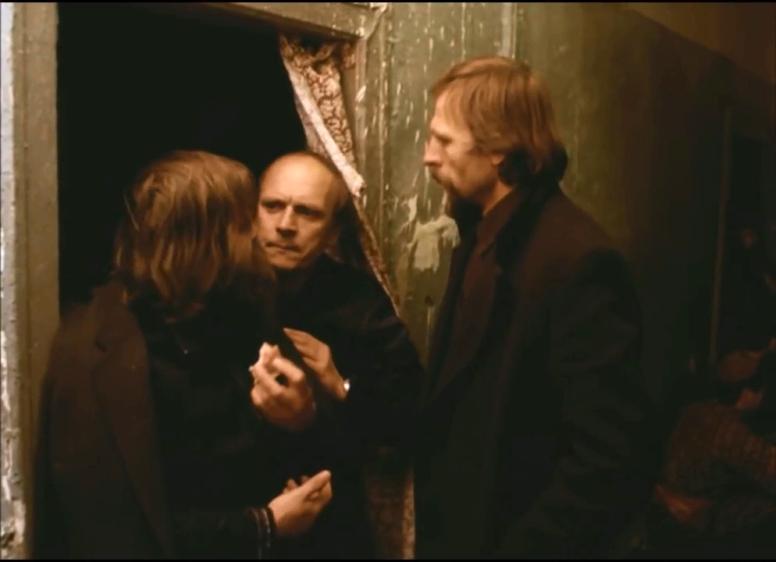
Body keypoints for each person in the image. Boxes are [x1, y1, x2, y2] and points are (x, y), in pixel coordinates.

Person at [33, 150, 333, 558]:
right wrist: (264, 525)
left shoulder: (240, 307)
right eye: (242, 224)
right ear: (202, 242)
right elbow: (115, 530)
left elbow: (306, 462)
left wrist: (301, 418)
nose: (257, 236)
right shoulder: (98, 353)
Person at [414, 56, 657, 557]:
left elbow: (607, 458)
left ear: (500, 149)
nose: (428, 157)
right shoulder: (482, 232)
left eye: (444, 140)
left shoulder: (577, 260)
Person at [250, 151, 424, 558]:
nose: (286, 224)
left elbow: (412, 410)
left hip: (329, 523)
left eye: (307, 213)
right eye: (273, 206)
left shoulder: (357, 301)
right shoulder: (221, 286)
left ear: (333, 232)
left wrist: (340, 385)